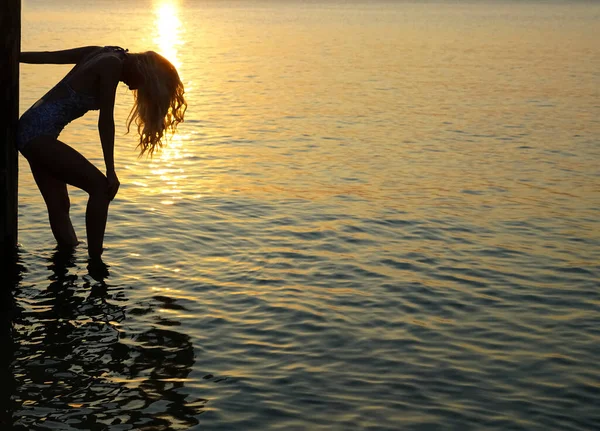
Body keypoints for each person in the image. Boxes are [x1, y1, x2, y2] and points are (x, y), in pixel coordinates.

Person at [18, 46, 187, 260]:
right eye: (145, 84)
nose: (132, 88)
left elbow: (52, 56)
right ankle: (95, 261)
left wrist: (14, 56)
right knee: (100, 188)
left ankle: (65, 261)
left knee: (59, 205)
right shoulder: (112, 65)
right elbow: (106, 121)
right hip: (36, 135)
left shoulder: (103, 52)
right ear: (146, 73)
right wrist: (111, 171)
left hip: (33, 130)